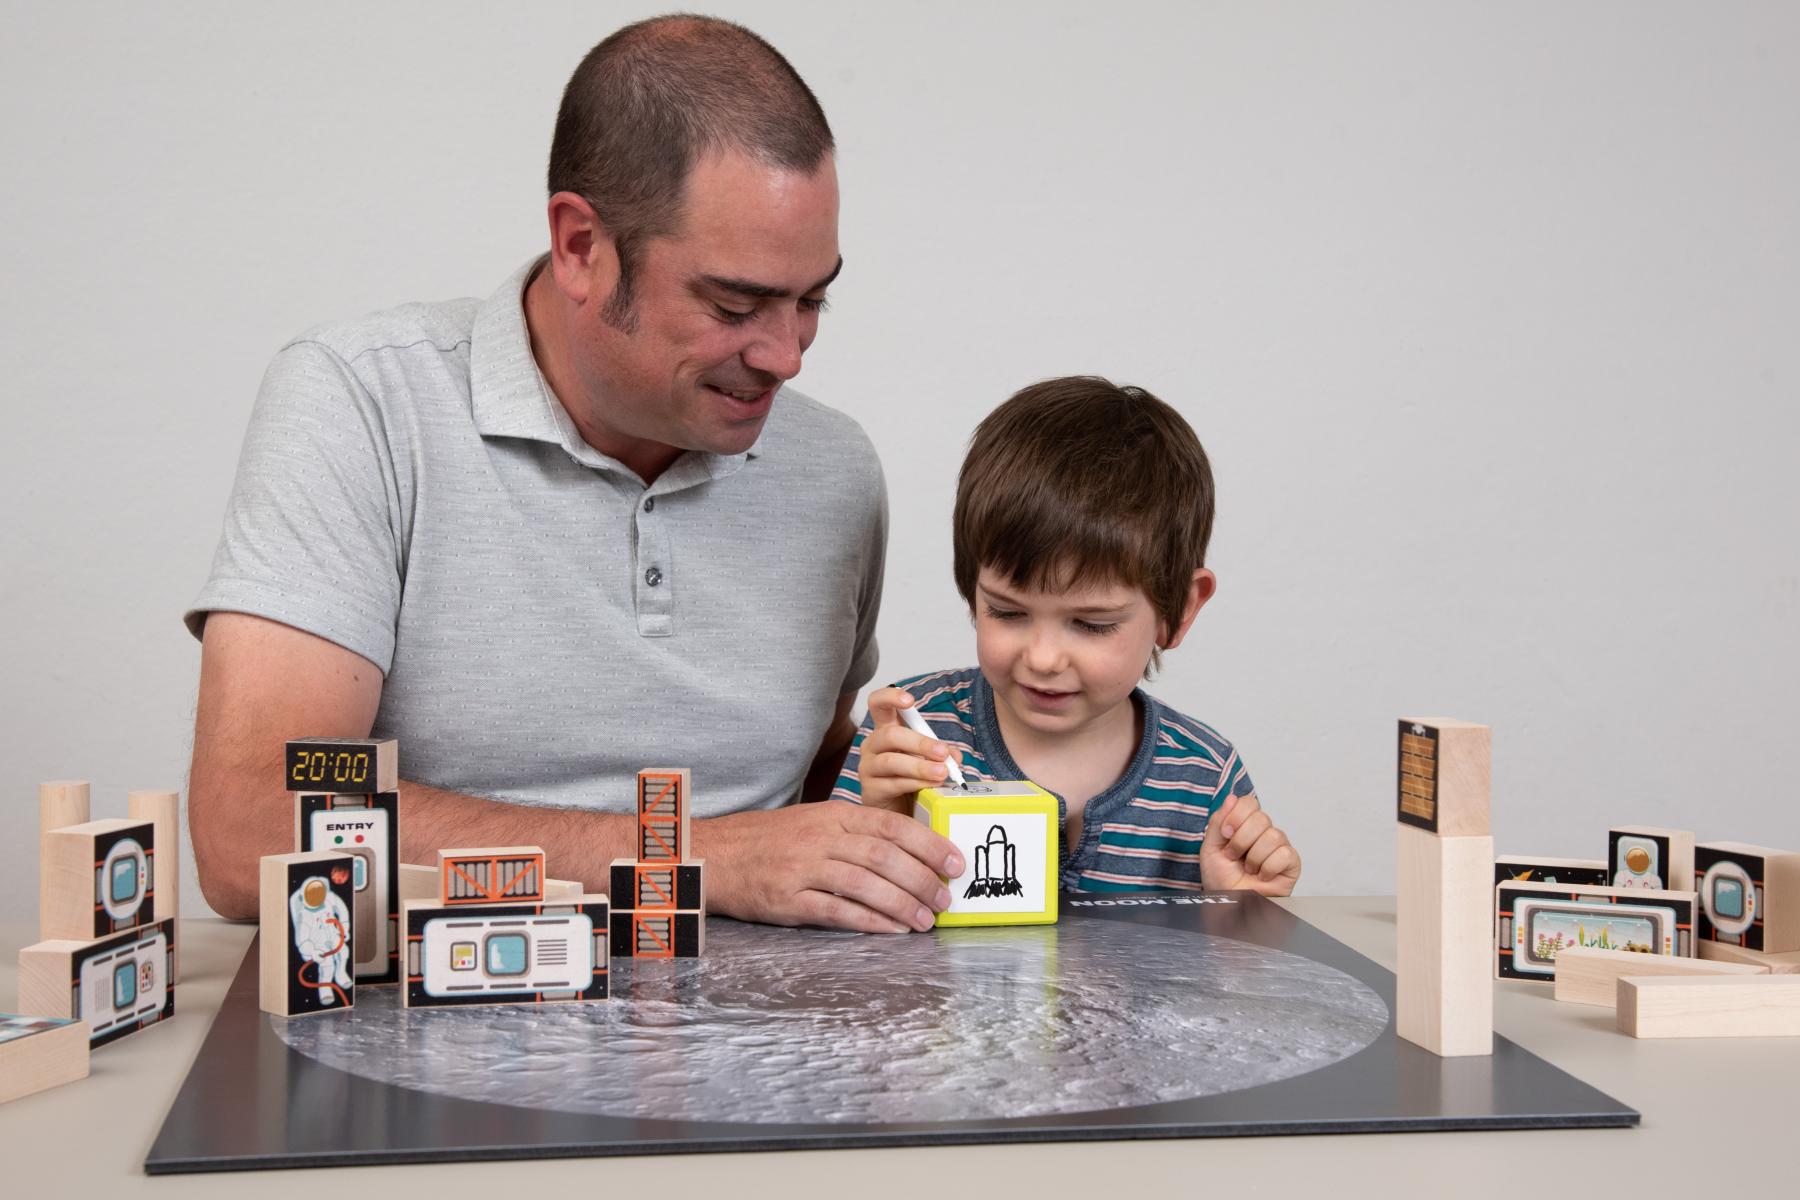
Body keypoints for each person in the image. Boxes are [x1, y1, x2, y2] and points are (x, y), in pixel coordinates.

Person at [185, 15, 963, 933]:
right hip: (444, 1035)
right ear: (581, 246)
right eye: (735, 303)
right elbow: (251, 831)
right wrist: (700, 855)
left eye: (813, 298)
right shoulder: (362, 404)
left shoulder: (835, 469)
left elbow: (819, 795)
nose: (787, 356)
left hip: (770, 1044)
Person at [833, 377, 1302, 895]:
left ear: (1179, 611)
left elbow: (1221, 972)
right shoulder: (915, 733)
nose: (1044, 658)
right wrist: (886, 823)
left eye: (1092, 624)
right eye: (1007, 612)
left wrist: (1233, 910)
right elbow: (838, 947)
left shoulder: (1204, 780)